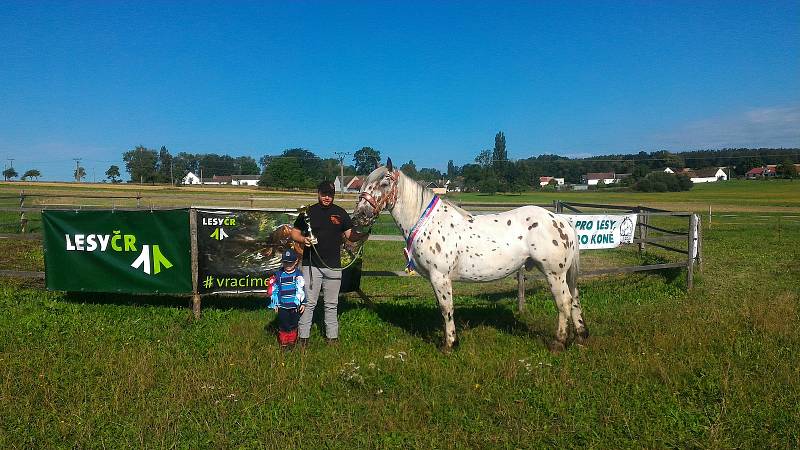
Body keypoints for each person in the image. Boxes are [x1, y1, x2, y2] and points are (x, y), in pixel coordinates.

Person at [291, 180, 366, 346]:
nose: (327, 198)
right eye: (324, 194)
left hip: (333, 267)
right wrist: (304, 239)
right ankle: (303, 338)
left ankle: (332, 338)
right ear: (318, 193)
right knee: (309, 303)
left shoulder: (340, 213)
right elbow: (294, 233)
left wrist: (363, 233)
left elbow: (350, 235)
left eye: (330, 195)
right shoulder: (308, 212)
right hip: (311, 265)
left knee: (331, 304)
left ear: (333, 195)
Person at [268, 249, 306, 350]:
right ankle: (284, 342)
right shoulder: (279, 274)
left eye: (291, 263)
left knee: (293, 323)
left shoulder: (298, 275)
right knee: (283, 324)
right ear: (282, 262)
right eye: (285, 263)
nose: (288, 265)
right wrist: (275, 304)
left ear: (296, 262)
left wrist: (303, 303)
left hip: (294, 306)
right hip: (282, 306)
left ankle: (292, 341)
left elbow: (302, 289)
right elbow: (274, 290)